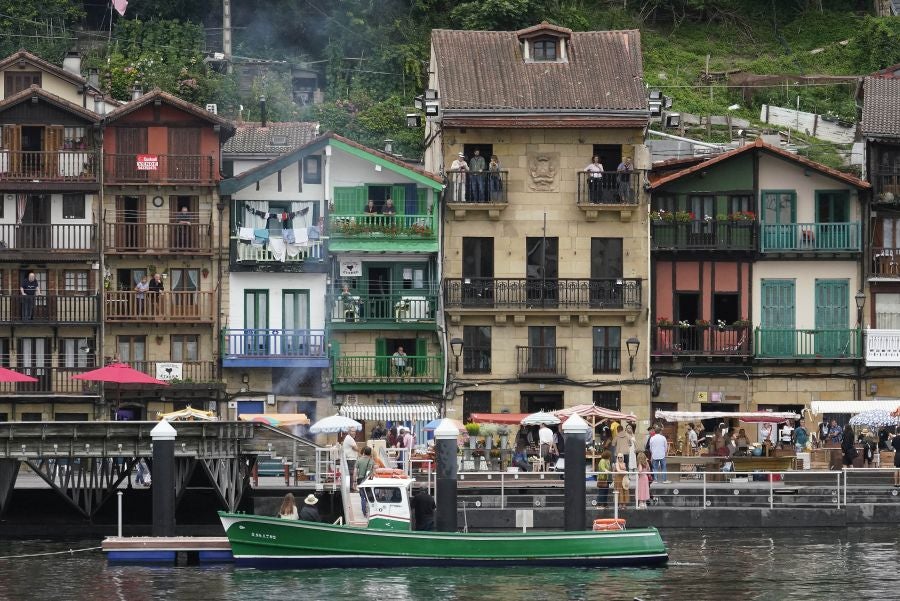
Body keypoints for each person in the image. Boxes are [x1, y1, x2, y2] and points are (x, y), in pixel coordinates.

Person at [356, 446, 375, 515]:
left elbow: (355, 471)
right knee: (368, 495)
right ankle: (369, 510)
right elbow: (373, 472)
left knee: (362, 496)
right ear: (370, 453)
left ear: (364, 452)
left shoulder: (359, 460)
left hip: (360, 480)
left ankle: (364, 511)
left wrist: (354, 481)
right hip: (368, 480)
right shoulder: (372, 461)